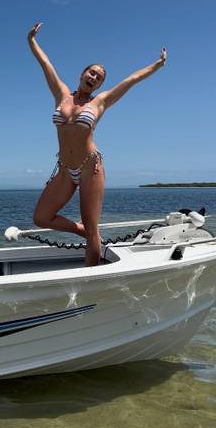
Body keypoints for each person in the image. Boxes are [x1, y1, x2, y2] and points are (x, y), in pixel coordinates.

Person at [28, 22, 166, 266]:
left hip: (90, 167)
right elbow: (46, 66)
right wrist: (32, 41)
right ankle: (82, 230)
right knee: (41, 217)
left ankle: (90, 276)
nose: (94, 77)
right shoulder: (61, 94)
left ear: (100, 85)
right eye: (91, 73)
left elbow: (131, 80)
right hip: (65, 170)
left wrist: (157, 65)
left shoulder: (100, 102)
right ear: (82, 74)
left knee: (93, 228)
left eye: (99, 78)